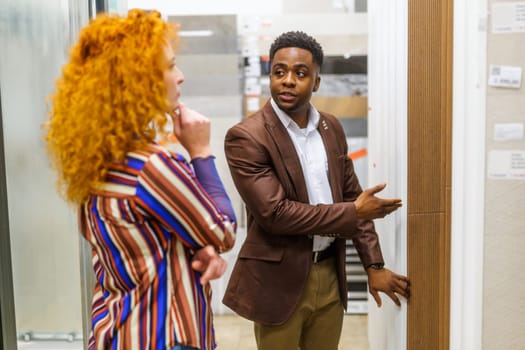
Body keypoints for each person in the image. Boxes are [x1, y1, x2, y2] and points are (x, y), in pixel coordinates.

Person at [45, 9, 236, 350]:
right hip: (165, 336)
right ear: (139, 81)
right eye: (169, 66)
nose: (180, 77)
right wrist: (201, 152)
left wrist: (199, 245)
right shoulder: (152, 167)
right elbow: (224, 230)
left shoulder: (99, 164)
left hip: (117, 333)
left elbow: (147, 246)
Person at [222, 31, 410, 350]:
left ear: (317, 82)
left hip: (330, 274)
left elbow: (352, 196)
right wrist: (353, 213)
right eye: (279, 72)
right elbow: (276, 215)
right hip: (279, 280)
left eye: (300, 73)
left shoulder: (331, 127)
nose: (288, 81)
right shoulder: (247, 137)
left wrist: (373, 265)